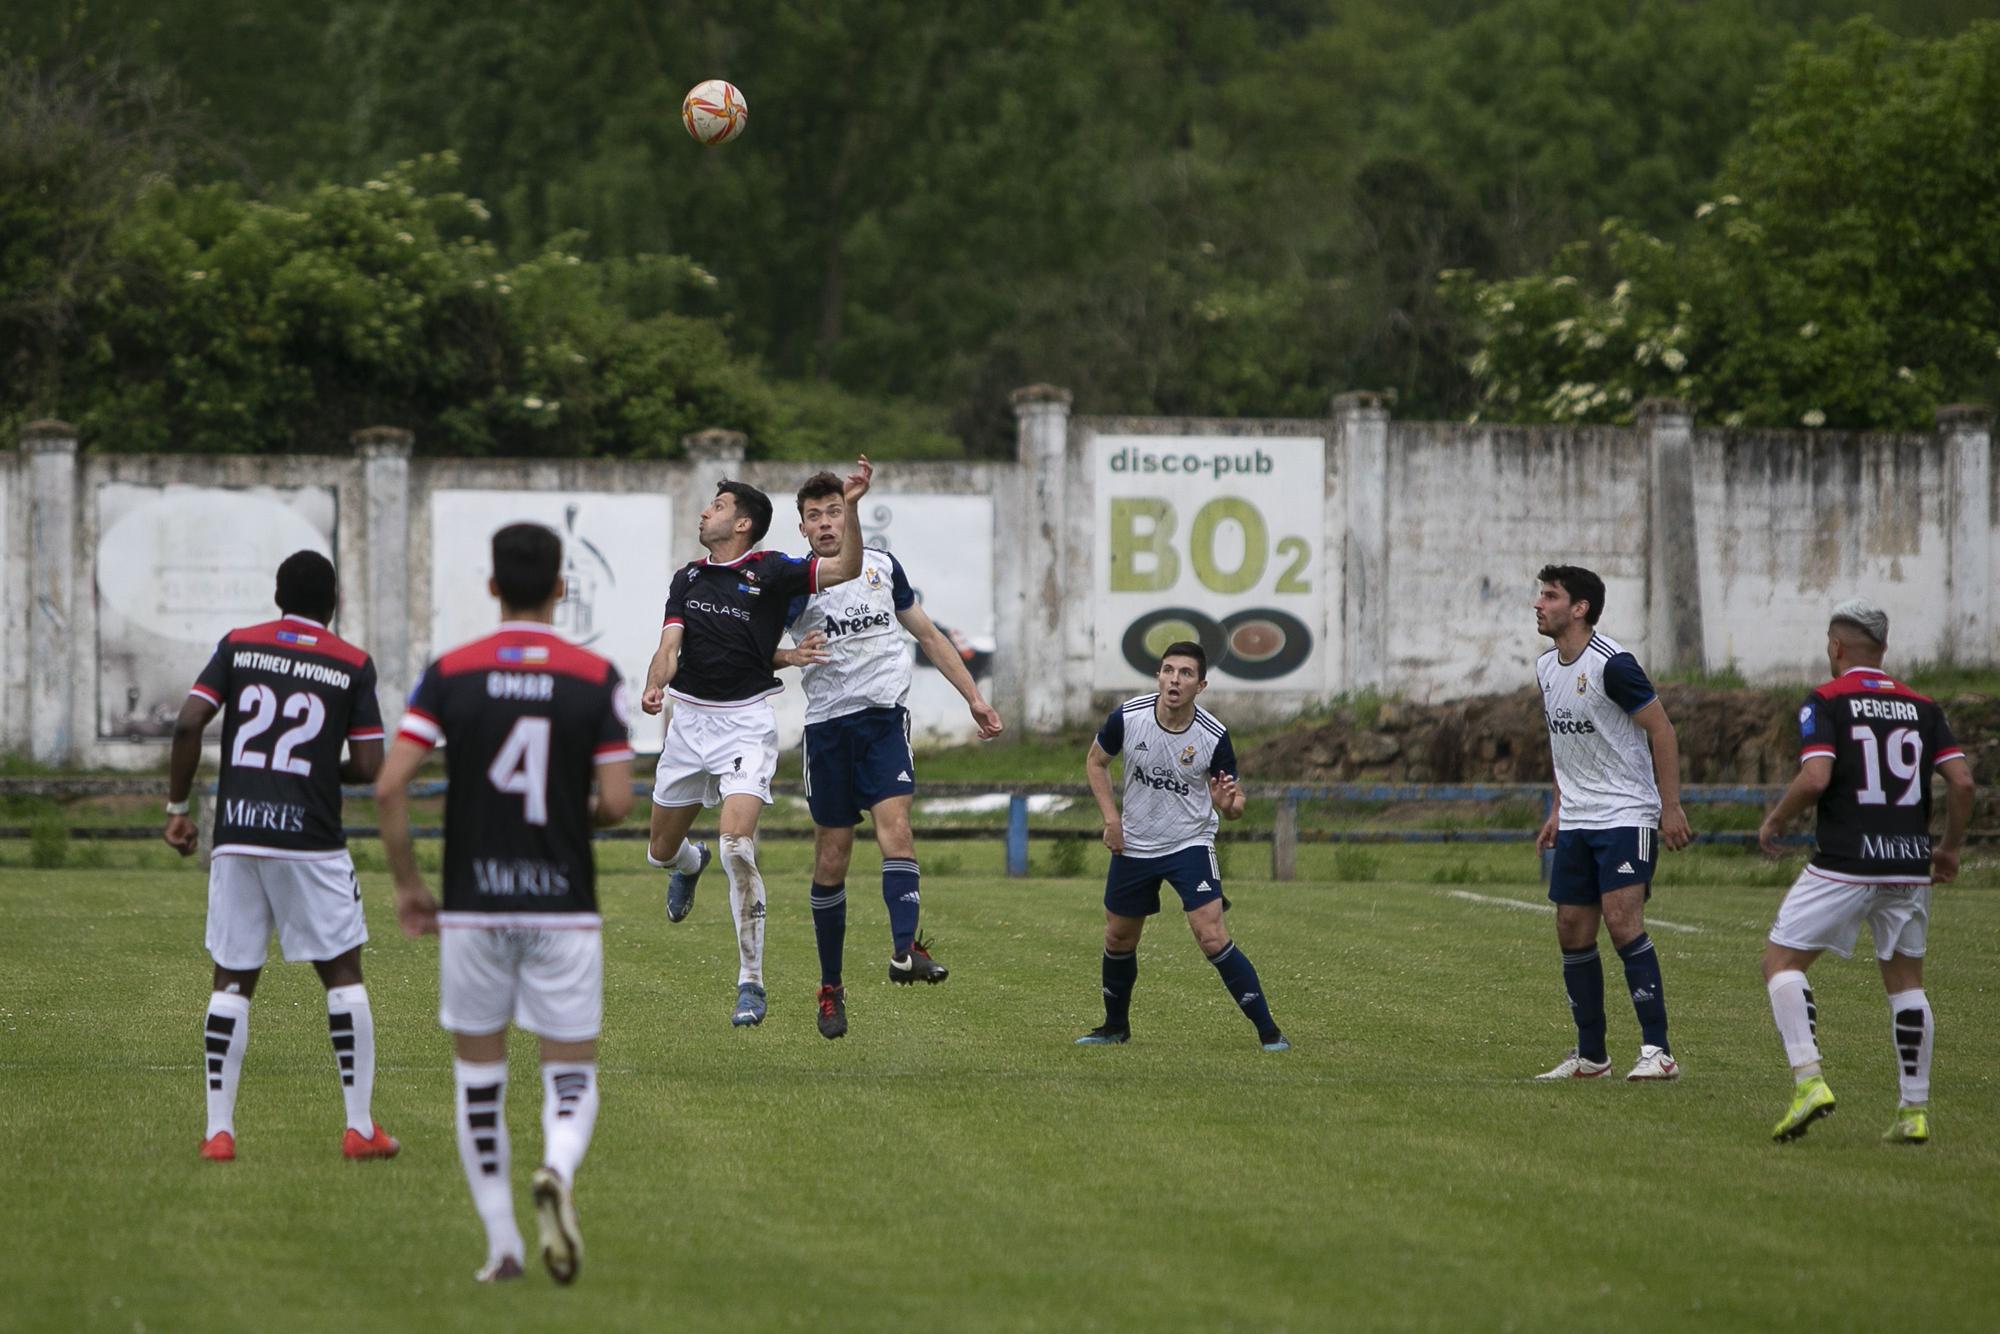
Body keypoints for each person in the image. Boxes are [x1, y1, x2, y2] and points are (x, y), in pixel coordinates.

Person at [375, 523, 635, 1284]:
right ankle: (556, 1166)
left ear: (493, 588)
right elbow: (617, 803)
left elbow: (390, 785)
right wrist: (564, 807)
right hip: (563, 905)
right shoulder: (595, 676)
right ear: (562, 587)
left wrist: (407, 883)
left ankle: (502, 1247)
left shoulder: (451, 671)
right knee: (569, 1072)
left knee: (479, 1081)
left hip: (473, 905)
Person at [164, 550, 397, 1164]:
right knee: (342, 976)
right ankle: (359, 1127)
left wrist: (176, 809)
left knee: (232, 979)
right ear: (335, 602)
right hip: (310, 838)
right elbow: (372, 766)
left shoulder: (239, 645)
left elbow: (189, 725)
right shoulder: (351, 663)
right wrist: (320, 771)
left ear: (276, 598)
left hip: (237, 833)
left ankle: (219, 1131)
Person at [775, 471, 1005, 1039]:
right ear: (802, 526)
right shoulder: (791, 582)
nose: (827, 522)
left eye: (835, 510)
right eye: (817, 515)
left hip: (883, 723)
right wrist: (790, 656)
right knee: (832, 859)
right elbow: (755, 652)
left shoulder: (882, 565)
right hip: (828, 732)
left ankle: (905, 949)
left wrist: (974, 698)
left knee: (896, 829)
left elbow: (927, 635)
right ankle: (830, 987)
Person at [641, 462, 871, 1027]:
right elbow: (670, 645)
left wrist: (853, 505)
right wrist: (655, 681)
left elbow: (845, 567)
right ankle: (686, 865)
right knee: (659, 852)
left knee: (738, 848)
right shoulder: (687, 579)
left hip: (744, 724)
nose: (704, 512)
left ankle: (751, 983)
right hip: (689, 723)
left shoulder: (772, 570)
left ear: (742, 523)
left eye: (715, 506)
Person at [1755, 599, 1973, 1145]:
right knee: (1906, 983)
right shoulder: (1922, 706)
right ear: (1883, 649)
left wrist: (1776, 818)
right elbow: (1963, 782)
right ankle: (1913, 1112)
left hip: (1845, 861)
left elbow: (1815, 776)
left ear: (1835, 647)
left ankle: (1809, 1081)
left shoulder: (1827, 700)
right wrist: (1946, 850)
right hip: (1908, 863)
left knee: (1782, 962)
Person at [1075, 642, 1287, 1051]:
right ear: (1158, 677)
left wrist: (1230, 805)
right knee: (1119, 937)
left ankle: (1270, 1032)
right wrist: (1111, 819)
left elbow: (1234, 802)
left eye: (1185, 673)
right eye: (1168, 670)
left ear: (1200, 685)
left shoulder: (1213, 735)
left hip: (1189, 841)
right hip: (1135, 843)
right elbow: (1095, 761)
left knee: (1210, 933)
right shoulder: (1128, 717)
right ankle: (1115, 1027)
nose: (1175, 679)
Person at [1530, 563, 1693, 1082]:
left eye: (1550, 596)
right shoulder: (1545, 668)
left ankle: (1658, 1052)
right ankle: (1591, 1057)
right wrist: (1559, 808)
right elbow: (1564, 744)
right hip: (1578, 819)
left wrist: (1670, 806)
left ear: (1579, 609)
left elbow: (1662, 731)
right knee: (1571, 929)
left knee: (1623, 923)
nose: (1538, 604)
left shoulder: (1613, 665)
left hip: (1626, 813)